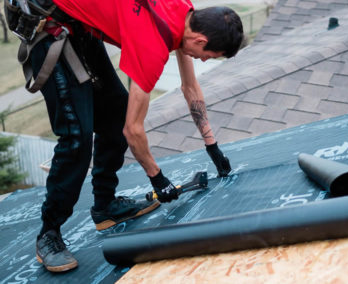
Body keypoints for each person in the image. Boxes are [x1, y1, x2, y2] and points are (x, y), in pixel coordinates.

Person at [20, 0, 243, 273]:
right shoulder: (153, 46)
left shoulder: (185, 13)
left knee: (114, 117)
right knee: (77, 137)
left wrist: (213, 147)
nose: (205, 60)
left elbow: (190, 87)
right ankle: (48, 233)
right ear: (200, 38)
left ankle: (105, 207)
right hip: (48, 23)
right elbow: (133, 130)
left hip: (78, 24)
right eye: (210, 54)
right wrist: (158, 178)